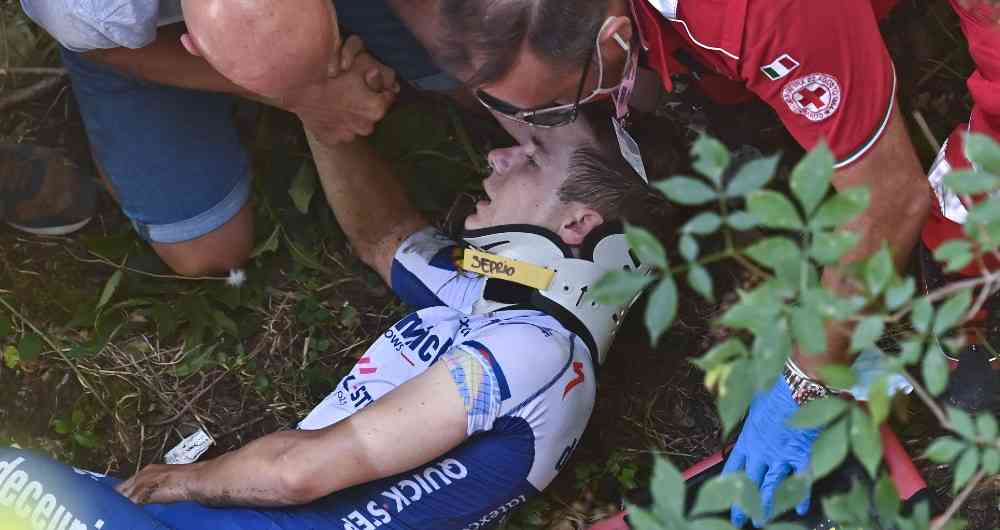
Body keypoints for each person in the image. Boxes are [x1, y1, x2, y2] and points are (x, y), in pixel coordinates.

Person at [375, 0, 1000, 527]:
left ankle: (968, 273)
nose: (516, 142)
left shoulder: (756, 12)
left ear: (614, 36)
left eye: (555, 108)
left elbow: (889, 200)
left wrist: (804, 380)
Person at [0, 107, 668, 529]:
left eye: (532, 155)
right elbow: (384, 236)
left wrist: (185, 481)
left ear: (579, 222)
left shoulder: (538, 352)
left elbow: (299, 474)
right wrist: (313, 102)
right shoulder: (503, 304)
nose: (498, 156)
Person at [19, 0, 402, 276]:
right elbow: (110, 50)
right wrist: (308, 97)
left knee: (446, 64)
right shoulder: (87, 9)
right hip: (121, 44)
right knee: (207, 252)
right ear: (195, 46)